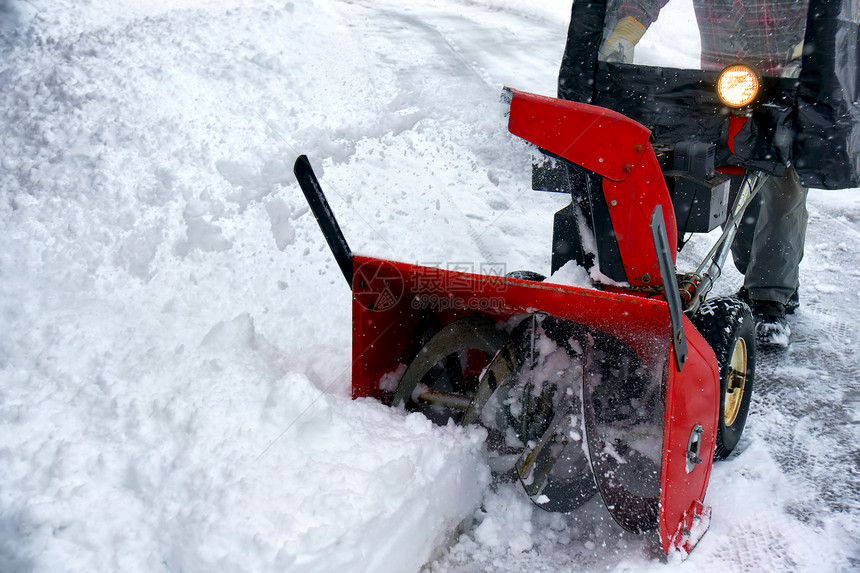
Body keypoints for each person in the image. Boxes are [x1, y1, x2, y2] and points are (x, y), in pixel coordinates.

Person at [597, 0, 811, 347]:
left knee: (783, 187)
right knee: (737, 185)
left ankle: (769, 300)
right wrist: (625, 31)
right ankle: (774, 275)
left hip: (790, 80)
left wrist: (812, 43)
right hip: (725, 82)